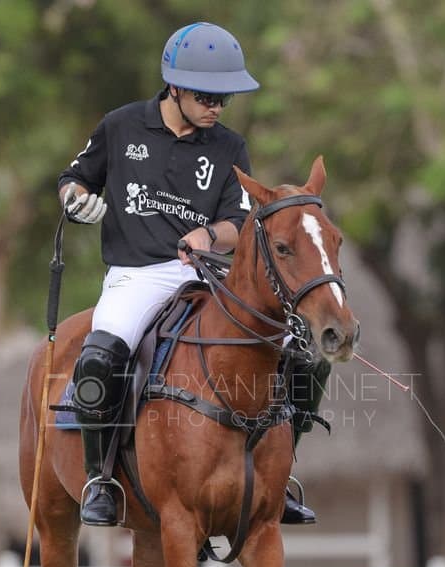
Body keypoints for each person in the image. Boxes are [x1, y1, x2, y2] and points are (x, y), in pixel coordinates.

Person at [58, 21, 324, 528]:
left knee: (300, 354)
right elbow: (74, 178)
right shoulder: (120, 127)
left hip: (204, 275)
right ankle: (100, 479)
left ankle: (280, 473)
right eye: (206, 96)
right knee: (99, 356)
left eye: (225, 98)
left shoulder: (229, 146)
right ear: (174, 86)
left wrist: (209, 235)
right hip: (135, 274)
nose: (216, 108)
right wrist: (76, 201)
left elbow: (240, 220)